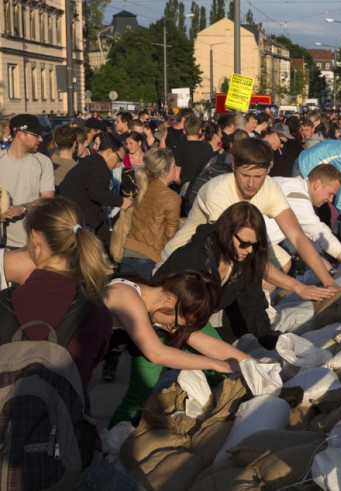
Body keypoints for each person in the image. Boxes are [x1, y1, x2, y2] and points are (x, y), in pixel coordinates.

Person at [0, 197, 137, 489]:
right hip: (68, 454)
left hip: (6, 451)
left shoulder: (3, 304)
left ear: (35, 239)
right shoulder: (96, 311)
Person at [161, 138, 340, 300]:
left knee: (281, 263)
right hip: (182, 268)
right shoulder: (218, 190)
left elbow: (297, 236)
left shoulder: (270, 188)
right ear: (233, 166)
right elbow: (239, 251)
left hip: (223, 266)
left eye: (258, 176)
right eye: (245, 175)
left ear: (269, 168)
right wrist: (299, 287)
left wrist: (329, 283)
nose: (251, 184)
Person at [103, 269, 251, 427]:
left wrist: (252, 363)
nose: (171, 327)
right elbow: (157, 353)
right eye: (174, 323)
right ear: (169, 302)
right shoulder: (125, 294)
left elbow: (207, 343)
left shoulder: (156, 304)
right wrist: (217, 364)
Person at [155, 202, 275, 344]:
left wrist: (267, 335)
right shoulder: (194, 257)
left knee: (224, 360)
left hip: (193, 322)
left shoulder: (244, 262)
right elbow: (174, 308)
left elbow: (252, 302)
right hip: (161, 322)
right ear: (227, 233)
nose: (249, 250)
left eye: (255, 245)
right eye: (244, 243)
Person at [266, 165, 341, 273]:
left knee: (284, 263)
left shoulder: (291, 185)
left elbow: (310, 241)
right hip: (249, 242)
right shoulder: (298, 198)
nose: (330, 200)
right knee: (280, 270)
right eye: (330, 194)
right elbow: (320, 234)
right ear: (317, 184)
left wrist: (330, 270)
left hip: (260, 240)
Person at [58, 133, 133, 248]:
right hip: (79, 224)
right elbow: (98, 192)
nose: (119, 165)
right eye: (119, 160)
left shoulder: (92, 162)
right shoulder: (99, 165)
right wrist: (121, 201)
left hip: (78, 219)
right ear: (108, 152)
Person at [120, 148, 182, 279]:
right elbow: (170, 236)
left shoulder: (143, 188)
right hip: (150, 257)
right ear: (164, 172)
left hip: (128, 252)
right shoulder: (172, 197)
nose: (176, 168)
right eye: (174, 166)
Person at [0, 114, 55, 248]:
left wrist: (23, 208)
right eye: (36, 135)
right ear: (20, 135)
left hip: (32, 243)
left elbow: (47, 199)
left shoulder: (44, 162)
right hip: (2, 242)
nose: (41, 139)